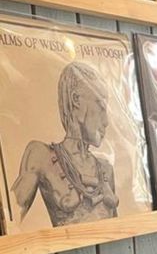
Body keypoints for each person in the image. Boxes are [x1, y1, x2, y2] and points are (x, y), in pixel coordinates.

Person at [12, 61, 118, 226]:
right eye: (101, 106)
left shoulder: (105, 168)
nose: (106, 122)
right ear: (76, 99)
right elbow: (11, 220)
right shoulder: (41, 155)